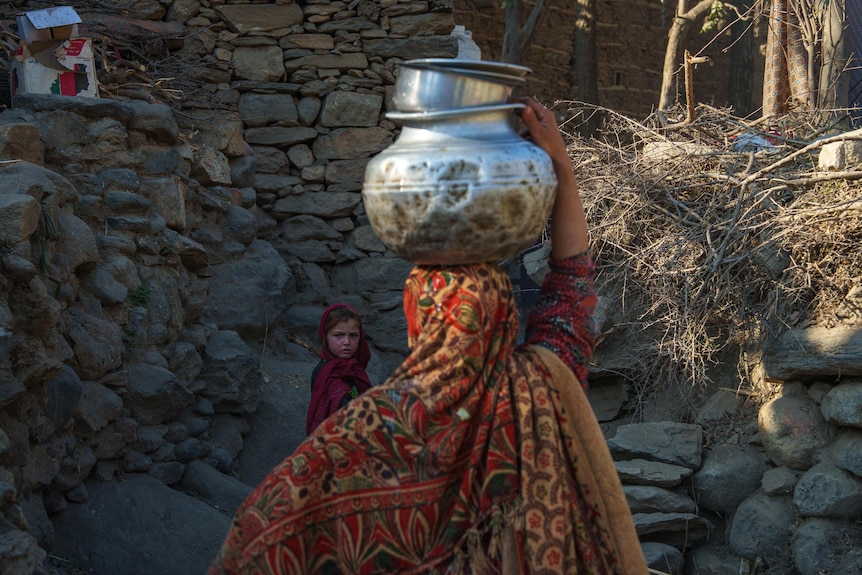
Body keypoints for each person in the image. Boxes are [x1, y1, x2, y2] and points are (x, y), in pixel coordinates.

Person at [208, 97, 648, 575]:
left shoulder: (357, 441)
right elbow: (572, 284)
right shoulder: (543, 392)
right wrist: (559, 161)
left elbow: (260, 535)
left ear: (417, 316)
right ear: (501, 316)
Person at [306, 303, 374, 435]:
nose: (347, 342)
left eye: (353, 335)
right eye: (338, 335)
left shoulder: (354, 369)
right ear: (325, 336)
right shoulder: (326, 373)